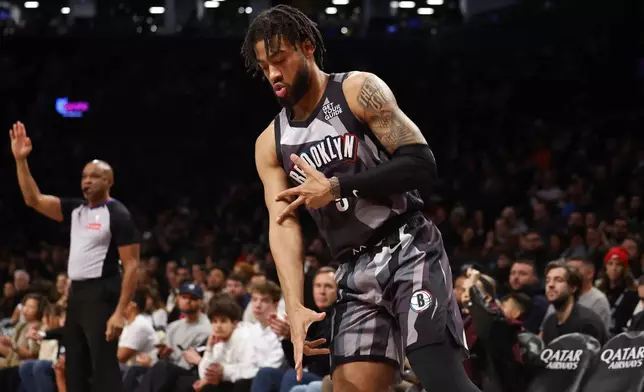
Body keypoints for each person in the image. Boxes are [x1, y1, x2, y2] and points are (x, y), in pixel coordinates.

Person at [246, 6, 477, 392]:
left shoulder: (356, 89)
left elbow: (421, 163)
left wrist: (337, 187)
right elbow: (281, 223)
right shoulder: (270, 142)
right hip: (352, 272)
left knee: (442, 380)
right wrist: (295, 303)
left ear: (307, 48)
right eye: (263, 66)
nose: (272, 74)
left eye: (279, 60)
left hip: (407, 248)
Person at [10, 121, 141, 392]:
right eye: (84, 176)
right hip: (78, 293)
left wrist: (119, 312)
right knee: (75, 365)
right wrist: (21, 160)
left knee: (103, 364)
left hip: (103, 291)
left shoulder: (118, 214)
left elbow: (131, 265)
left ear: (109, 181)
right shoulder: (76, 210)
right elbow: (32, 199)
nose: (87, 181)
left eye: (94, 176)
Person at [541, 260, 607, 345]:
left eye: (558, 280)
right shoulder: (550, 322)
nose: (551, 285)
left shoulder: (588, 323)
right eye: (548, 280)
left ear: (573, 288)